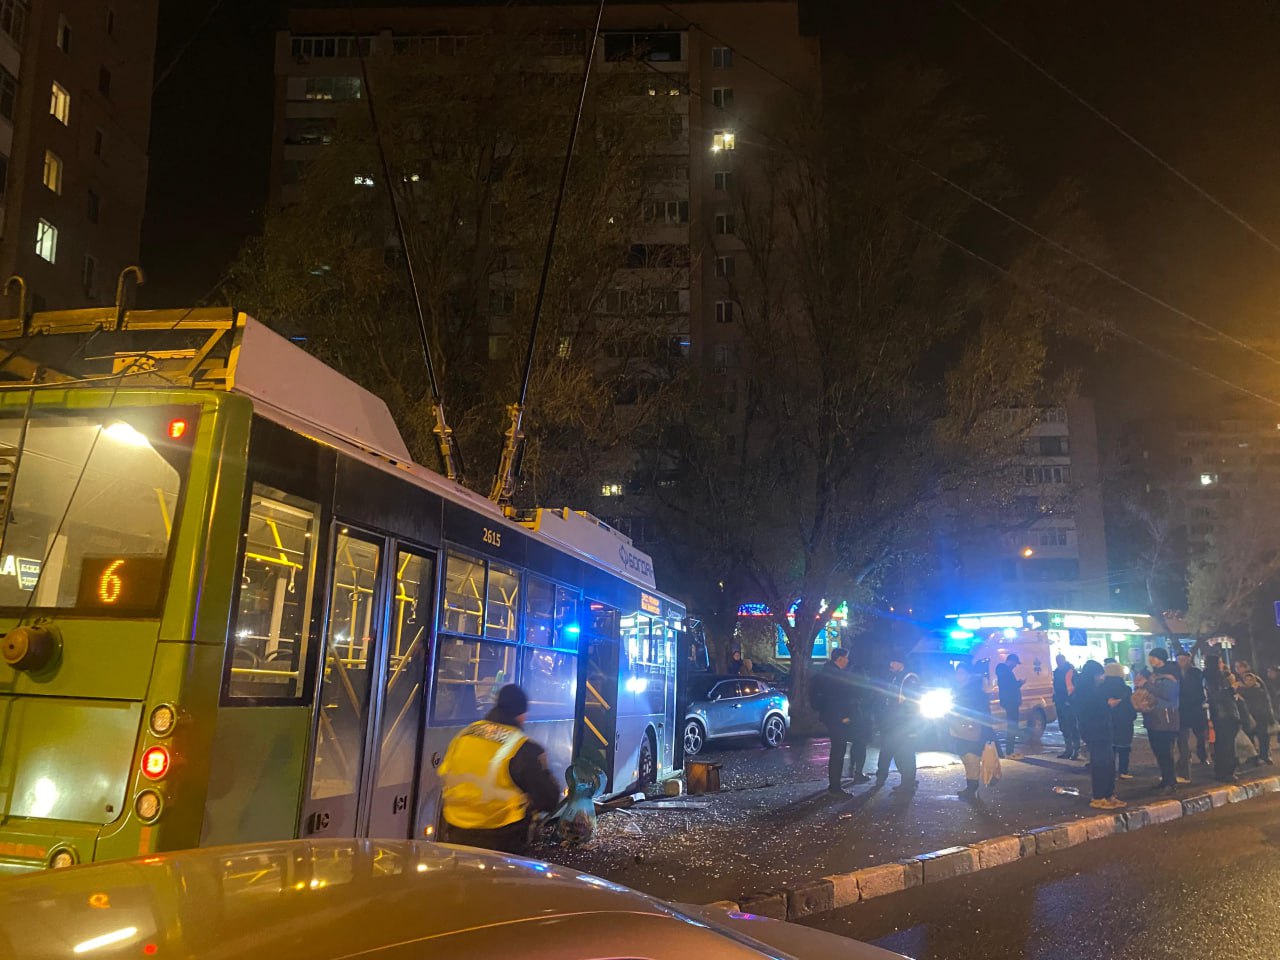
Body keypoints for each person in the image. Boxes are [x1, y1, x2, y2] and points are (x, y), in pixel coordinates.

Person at [438, 684, 562, 853]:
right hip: (499, 838)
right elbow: (548, 799)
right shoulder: (521, 747)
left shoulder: (465, 734)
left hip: (454, 830)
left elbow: (445, 774)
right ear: (521, 715)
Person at [812, 647, 864, 795]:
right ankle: (835, 787)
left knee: (838, 750)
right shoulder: (834, 675)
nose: (847, 660)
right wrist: (843, 716)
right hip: (837, 719)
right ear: (840, 659)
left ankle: (835, 785)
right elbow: (834, 699)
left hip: (831, 717)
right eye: (846, 658)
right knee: (838, 752)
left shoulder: (827, 672)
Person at [1075, 661, 1125, 809]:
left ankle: (1109, 795)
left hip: (1104, 730)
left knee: (1109, 763)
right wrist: (1107, 705)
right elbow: (1089, 711)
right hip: (1094, 731)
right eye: (1099, 674)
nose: (1102, 677)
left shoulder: (1096, 688)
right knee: (1100, 764)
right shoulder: (1084, 690)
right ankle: (1099, 796)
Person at [874, 652, 922, 792]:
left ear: (900, 663)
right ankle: (904, 781)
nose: (890, 665)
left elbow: (911, 703)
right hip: (893, 722)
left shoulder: (909, 678)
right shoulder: (895, 677)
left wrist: (908, 723)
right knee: (893, 752)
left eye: (893, 662)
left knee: (903, 753)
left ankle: (907, 782)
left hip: (901, 723)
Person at [951, 662, 995, 800]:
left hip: (973, 730)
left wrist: (987, 730)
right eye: (957, 672)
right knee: (965, 757)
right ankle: (970, 786)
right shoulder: (956, 689)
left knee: (972, 759)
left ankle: (972, 787)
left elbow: (983, 712)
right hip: (959, 729)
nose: (958, 675)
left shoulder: (976, 691)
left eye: (962, 673)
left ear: (969, 675)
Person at [1144, 649, 1181, 793]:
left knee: (1165, 751)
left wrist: (1147, 684)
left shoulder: (1171, 674)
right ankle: (1166, 779)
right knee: (1158, 751)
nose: (1150, 660)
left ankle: (1170, 782)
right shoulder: (1155, 674)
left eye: (1153, 657)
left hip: (1166, 717)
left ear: (1160, 659)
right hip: (1154, 716)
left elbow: (1167, 694)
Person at [1176, 649, 1209, 781]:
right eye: (1179, 659)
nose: (1181, 661)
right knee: (1182, 736)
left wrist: (1199, 701)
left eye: (1184, 659)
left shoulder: (1196, 672)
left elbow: (1200, 690)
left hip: (1195, 708)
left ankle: (1202, 756)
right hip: (1181, 709)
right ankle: (1185, 757)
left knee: (1200, 735)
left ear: (1189, 659)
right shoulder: (1176, 672)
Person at [1206, 655, 1240, 782]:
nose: (1222, 664)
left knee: (1222, 744)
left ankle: (1222, 771)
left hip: (1220, 715)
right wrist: (1232, 688)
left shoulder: (1211, 677)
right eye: (1220, 662)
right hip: (1225, 715)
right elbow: (1220, 695)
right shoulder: (1216, 678)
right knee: (1227, 745)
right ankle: (1227, 772)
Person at [1235, 659, 1275, 766]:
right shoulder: (1239, 683)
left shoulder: (1256, 682)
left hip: (1259, 714)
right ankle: (1254, 756)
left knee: (1263, 735)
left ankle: (1264, 756)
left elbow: (1265, 699)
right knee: (1251, 735)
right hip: (1248, 714)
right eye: (1236, 667)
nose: (1237, 669)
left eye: (1239, 666)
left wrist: (1270, 714)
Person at [1102, 662, 1137, 780]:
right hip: (1124, 721)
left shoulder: (1102, 688)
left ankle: (1109, 771)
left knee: (1110, 748)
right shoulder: (1125, 689)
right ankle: (1123, 770)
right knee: (1124, 747)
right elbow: (1130, 706)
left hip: (1108, 720)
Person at [995, 653, 1026, 760]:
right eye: (1015, 663)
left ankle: (1010, 750)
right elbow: (1010, 687)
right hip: (1011, 702)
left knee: (1012, 726)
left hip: (1010, 702)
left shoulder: (1004, 671)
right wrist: (1020, 683)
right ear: (1011, 661)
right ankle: (1009, 751)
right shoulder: (1005, 672)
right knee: (1012, 726)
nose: (1015, 666)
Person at [1052, 654, 1080, 760]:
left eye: (1059, 660)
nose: (1058, 662)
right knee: (1064, 727)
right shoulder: (1057, 671)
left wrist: (1070, 700)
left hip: (1069, 703)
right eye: (1057, 660)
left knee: (1072, 726)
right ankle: (1068, 749)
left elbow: (1075, 688)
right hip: (1060, 702)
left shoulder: (1070, 671)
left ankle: (1076, 749)